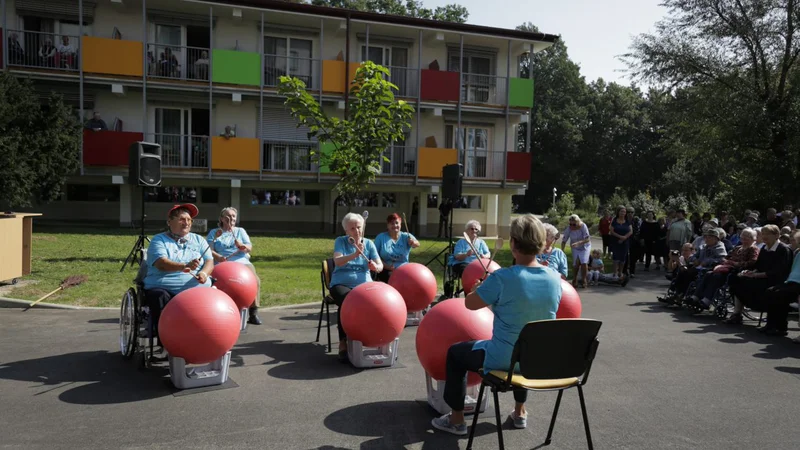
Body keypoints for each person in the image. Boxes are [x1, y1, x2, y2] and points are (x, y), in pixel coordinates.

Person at [431, 214, 562, 436]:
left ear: (513, 244)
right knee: (525, 346)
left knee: (455, 353)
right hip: (536, 359)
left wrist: (477, 289)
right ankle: (520, 412)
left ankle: (456, 419)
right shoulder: (554, 278)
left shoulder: (502, 277)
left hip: (503, 358)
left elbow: (470, 304)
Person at [142, 204, 213, 330]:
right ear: (169, 222)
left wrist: (204, 274)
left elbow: (209, 262)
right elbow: (161, 263)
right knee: (158, 296)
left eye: (189, 219)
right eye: (182, 219)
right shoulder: (159, 240)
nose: (186, 223)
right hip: (164, 287)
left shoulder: (199, 240)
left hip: (196, 290)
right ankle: (164, 337)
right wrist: (185, 266)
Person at [329, 213, 383, 361]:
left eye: (359, 227)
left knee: (377, 303)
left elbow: (380, 265)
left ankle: (372, 337)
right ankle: (343, 342)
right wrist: (354, 254)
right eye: (352, 228)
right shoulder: (340, 241)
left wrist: (375, 267)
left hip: (364, 285)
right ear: (346, 230)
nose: (356, 231)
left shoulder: (369, 244)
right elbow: (338, 261)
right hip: (341, 284)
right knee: (348, 302)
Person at [725, 224, 794, 325]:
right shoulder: (765, 248)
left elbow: (779, 272)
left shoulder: (783, 249)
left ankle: (769, 319)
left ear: (777, 235)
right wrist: (750, 272)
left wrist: (757, 275)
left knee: (760, 288)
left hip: (775, 280)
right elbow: (758, 265)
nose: (764, 236)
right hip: (761, 277)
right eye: (763, 234)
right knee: (735, 280)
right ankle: (737, 313)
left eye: (768, 234)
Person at [206, 207, 261, 325]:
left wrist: (242, 246)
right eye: (228, 216)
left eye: (233, 216)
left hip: (241, 261)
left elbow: (249, 247)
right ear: (221, 218)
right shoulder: (214, 232)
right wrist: (218, 257)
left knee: (255, 280)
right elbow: (208, 249)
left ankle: (253, 312)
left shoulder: (240, 231)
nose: (231, 218)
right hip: (221, 263)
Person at [763, 230, 800, 338]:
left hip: (798, 284)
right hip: (791, 281)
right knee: (771, 291)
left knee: (780, 294)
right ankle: (771, 325)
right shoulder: (798, 252)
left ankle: (781, 327)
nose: (793, 242)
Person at [373, 213, 420, 283]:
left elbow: (417, 244)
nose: (395, 225)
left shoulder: (406, 236)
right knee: (392, 278)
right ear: (388, 225)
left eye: (397, 223)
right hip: (386, 269)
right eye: (392, 223)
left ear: (400, 224)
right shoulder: (381, 237)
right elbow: (374, 255)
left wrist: (413, 243)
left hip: (404, 270)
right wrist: (386, 266)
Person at [561, 214, 591, 287]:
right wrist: (562, 251)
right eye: (570, 224)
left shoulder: (583, 226)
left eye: (574, 224)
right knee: (576, 263)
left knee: (584, 262)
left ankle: (584, 279)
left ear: (578, 222)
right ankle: (575, 279)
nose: (572, 225)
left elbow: (587, 239)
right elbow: (564, 241)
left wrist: (579, 243)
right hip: (575, 247)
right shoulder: (569, 229)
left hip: (585, 246)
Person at [608, 205, 632, 280]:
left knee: (623, 258)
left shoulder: (627, 221)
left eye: (624, 212)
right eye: (621, 211)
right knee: (615, 257)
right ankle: (615, 273)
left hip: (625, 242)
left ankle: (620, 272)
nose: (623, 213)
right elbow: (611, 231)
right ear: (618, 212)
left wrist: (624, 237)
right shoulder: (614, 220)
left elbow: (631, 231)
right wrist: (619, 237)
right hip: (616, 241)